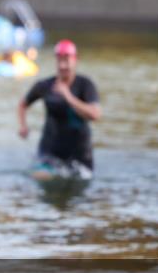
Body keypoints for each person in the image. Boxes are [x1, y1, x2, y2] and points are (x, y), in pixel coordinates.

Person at [17, 39, 101, 178]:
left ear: (75, 59)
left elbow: (95, 115)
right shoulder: (44, 85)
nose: (63, 65)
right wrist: (23, 126)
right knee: (41, 176)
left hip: (80, 155)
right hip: (50, 151)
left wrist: (68, 96)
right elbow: (22, 105)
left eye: (66, 60)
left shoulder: (85, 85)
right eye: (59, 60)